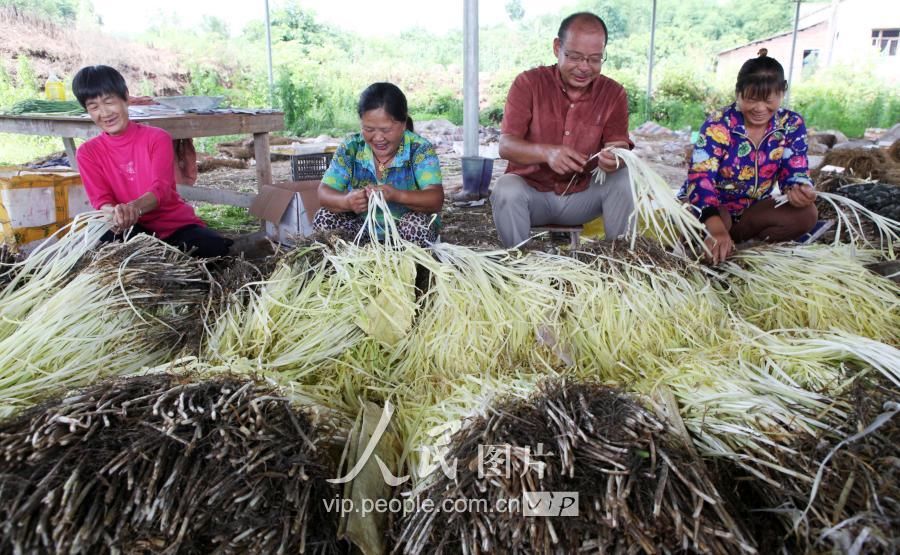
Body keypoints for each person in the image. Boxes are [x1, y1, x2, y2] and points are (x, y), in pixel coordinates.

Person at [491, 12, 635, 248]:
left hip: (584, 197)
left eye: (595, 59)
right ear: (557, 47)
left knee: (624, 178)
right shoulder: (528, 84)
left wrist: (615, 158)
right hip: (532, 195)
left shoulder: (613, 93)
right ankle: (519, 267)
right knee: (506, 188)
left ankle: (620, 264)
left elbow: (619, 146)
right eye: (575, 57)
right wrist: (547, 153)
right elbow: (506, 146)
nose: (584, 67)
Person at [73, 65, 232, 258]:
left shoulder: (157, 138)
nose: (105, 113)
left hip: (173, 226)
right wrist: (118, 213)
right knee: (107, 246)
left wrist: (134, 207)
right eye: (94, 107)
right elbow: (102, 200)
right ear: (87, 110)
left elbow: (161, 190)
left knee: (214, 249)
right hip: (130, 229)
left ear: (126, 98)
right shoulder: (87, 153)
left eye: (109, 102)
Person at [679, 54, 817, 264]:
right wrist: (715, 227)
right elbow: (700, 177)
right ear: (738, 93)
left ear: (781, 94)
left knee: (806, 214)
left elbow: (795, 168)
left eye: (769, 100)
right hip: (711, 210)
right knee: (710, 222)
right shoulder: (719, 124)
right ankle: (712, 246)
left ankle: (744, 251)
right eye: (751, 99)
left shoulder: (790, 124)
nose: (760, 108)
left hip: (751, 213)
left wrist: (799, 189)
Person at [315, 82, 443, 247]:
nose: (378, 138)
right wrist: (347, 201)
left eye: (386, 130)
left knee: (415, 224)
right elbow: (324, 192)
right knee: (325, 217)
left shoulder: (420, 150)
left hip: (405, 240)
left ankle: (409, 271)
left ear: (403, 124)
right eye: (369, 129)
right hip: (363, 234)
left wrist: (397, 195)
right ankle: (353, 270)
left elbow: (435, 199)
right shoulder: (351, 148)